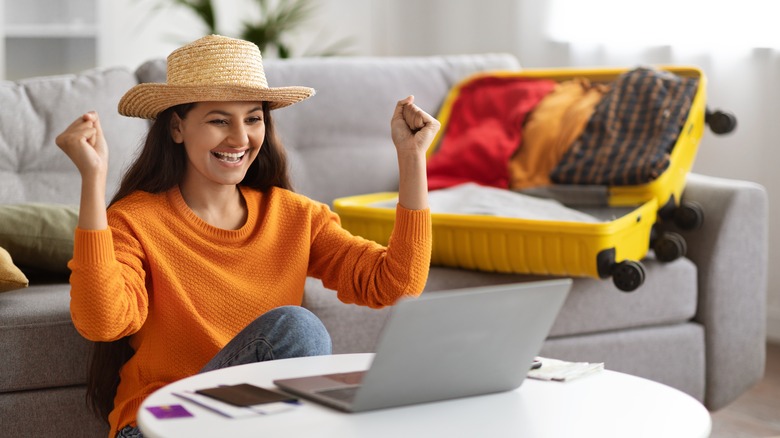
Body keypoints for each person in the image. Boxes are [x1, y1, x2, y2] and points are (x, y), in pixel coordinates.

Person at [55, 35, 439, 438]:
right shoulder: (135, 219)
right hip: (162, 426)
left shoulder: (294, 215)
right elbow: (103, 322)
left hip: (256, 427)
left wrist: (412, 158)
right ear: (177, 127)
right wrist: (92, 183)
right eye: (220, 120)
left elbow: (396, 283)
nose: (240, 139)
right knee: (298, 329)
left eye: (253, 118)